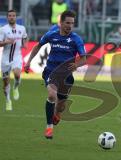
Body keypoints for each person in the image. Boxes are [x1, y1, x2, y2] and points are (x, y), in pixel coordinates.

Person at [24, 10, 86, 139]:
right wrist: (28, 61)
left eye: (72, 23)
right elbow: (37, 46)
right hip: (51, 71)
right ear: (61, 23)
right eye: (67, 23)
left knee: (61, 105)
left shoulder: (76, 39)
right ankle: (49, 127)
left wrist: (77, 65)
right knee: (52, 95)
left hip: (66, 76)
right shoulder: (51, 35)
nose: (70, 25)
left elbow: (84, 59)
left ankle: (57, 113)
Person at [0, 9, 28, 111]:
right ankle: (8, 101)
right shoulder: (3, 29)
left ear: (16, 17)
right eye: (10, 16)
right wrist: (6, 42)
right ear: (7, 17)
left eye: (13, 15)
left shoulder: (22, 28)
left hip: (16, 57)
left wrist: (25, 44)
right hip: (5, 59)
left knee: (17, 74)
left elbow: (25, 37)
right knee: (6, 82)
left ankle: (15, 87)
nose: (12, 17)